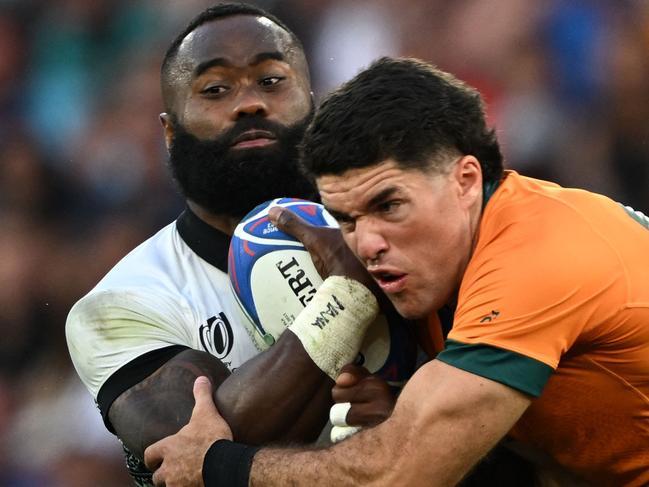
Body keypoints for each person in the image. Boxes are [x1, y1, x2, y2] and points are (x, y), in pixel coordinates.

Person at [144, 57, 649, 486]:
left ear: (466, 180)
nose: (365, 245)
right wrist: (406, 410)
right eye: (345, 219)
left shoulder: (538, 257)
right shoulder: (442, 262)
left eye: (388, 205)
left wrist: (217, 466)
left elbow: (400, 473)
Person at [66, 4, 409, 486]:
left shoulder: (395, 226)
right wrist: (348, 297)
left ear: (312, 103)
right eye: (215, 89)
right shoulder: (118, 305)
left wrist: (405, 413)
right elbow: (205, 456)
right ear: (169, 130)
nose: (248, 103)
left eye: (271, 81)